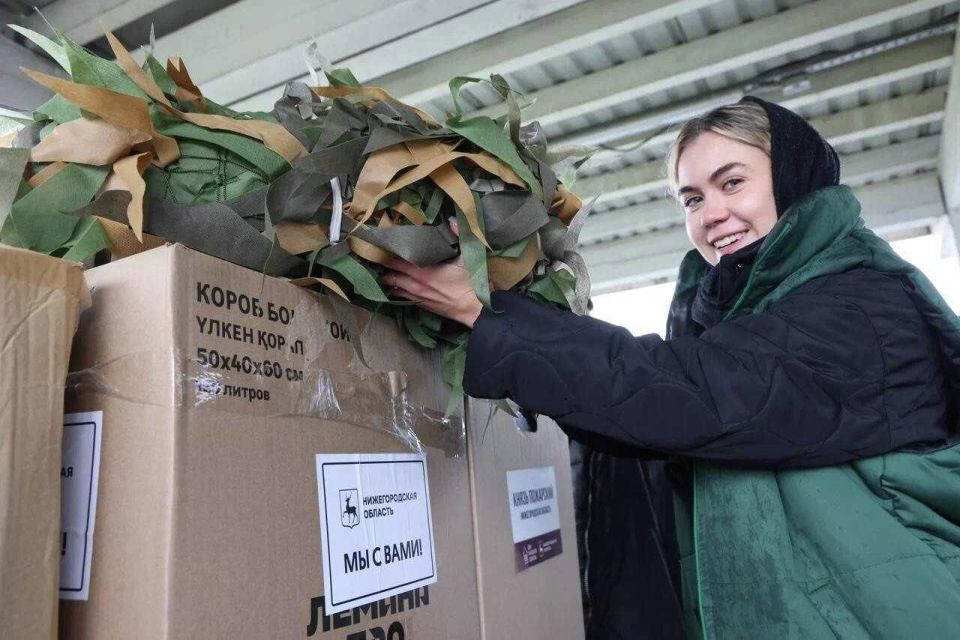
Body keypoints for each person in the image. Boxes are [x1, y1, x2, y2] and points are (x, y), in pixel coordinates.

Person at [381, 97, 960, 638]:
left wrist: (493, 316)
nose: (713, 214)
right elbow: (643, 421)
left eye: (732, 183)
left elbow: (691, 395)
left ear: (795, 178)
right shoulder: (735, 318)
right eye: (692, 199)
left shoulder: (862, 307)